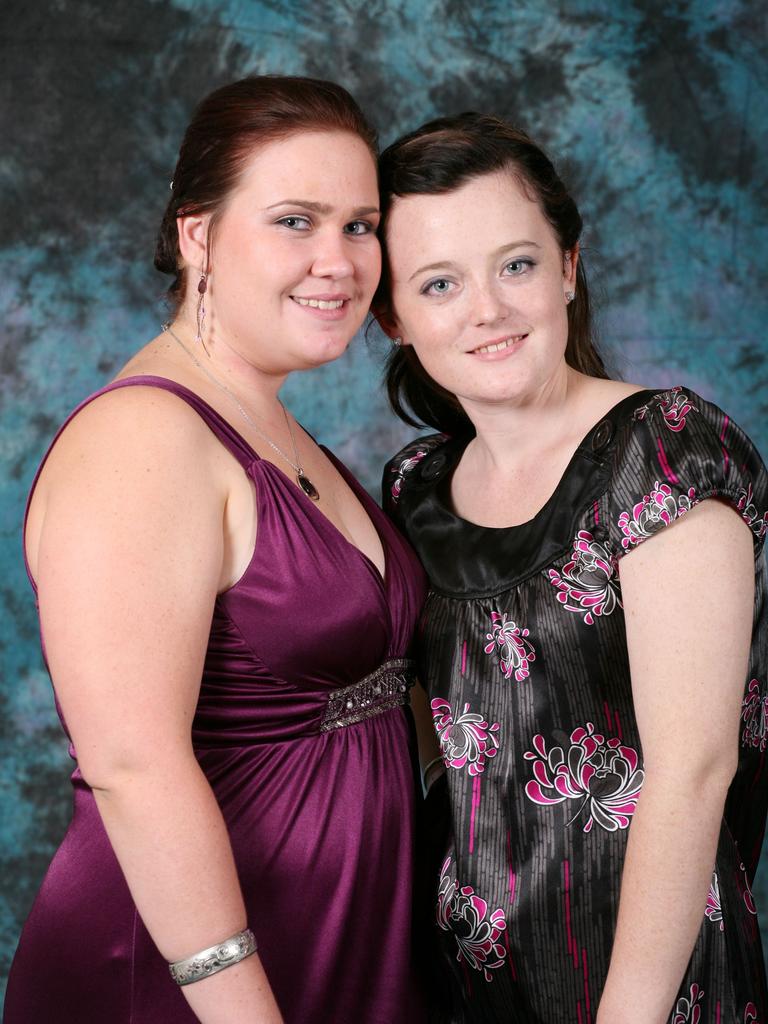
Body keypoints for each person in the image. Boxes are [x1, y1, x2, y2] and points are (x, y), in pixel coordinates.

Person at [4, 75, 430, 1024]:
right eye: (295, 221)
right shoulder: (144, 439)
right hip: (192, 980)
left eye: (360, 226)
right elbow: (132, 762)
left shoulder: (274, 422)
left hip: (340, 943)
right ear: (197, 234)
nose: (339, 261)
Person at [377, 112, 768, 1023]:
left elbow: (695, 773)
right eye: (440, 284)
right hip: (464, 972)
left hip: (646, 973)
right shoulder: (415, 488)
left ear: (568, 268)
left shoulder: (663, 454)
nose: (488, 309)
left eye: (516, 264)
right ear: (394, 318)